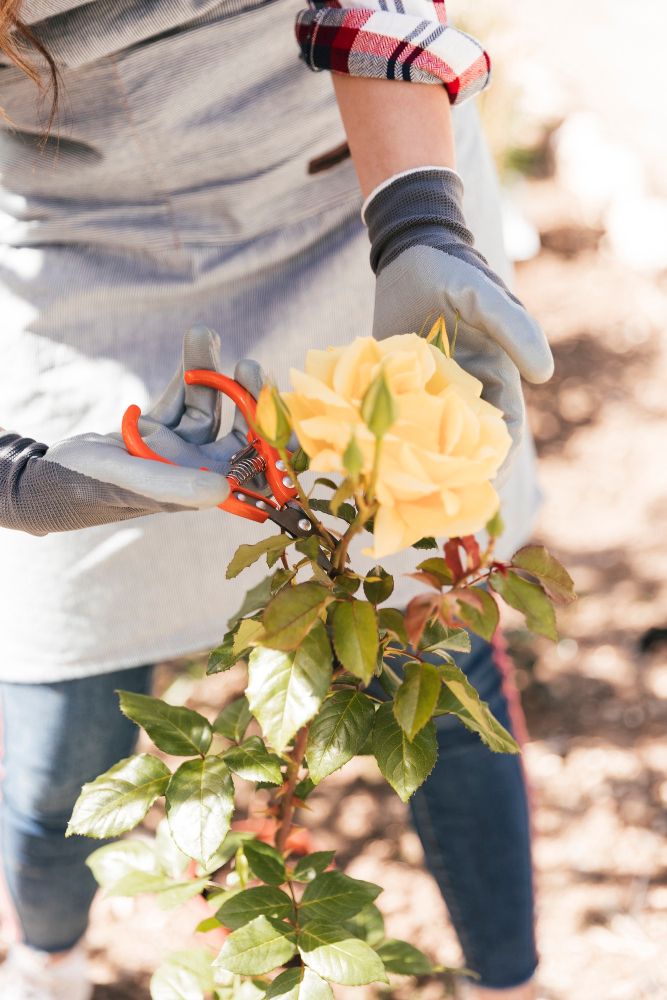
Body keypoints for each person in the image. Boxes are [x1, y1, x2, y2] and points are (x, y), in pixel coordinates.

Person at [0, 2, 553, 999]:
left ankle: (508, 982)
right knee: (61, 708)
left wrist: (421, 215)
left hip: (359, 184)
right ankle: (46, 958)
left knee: (433, 635)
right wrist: (15, 478)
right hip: (71, 253)